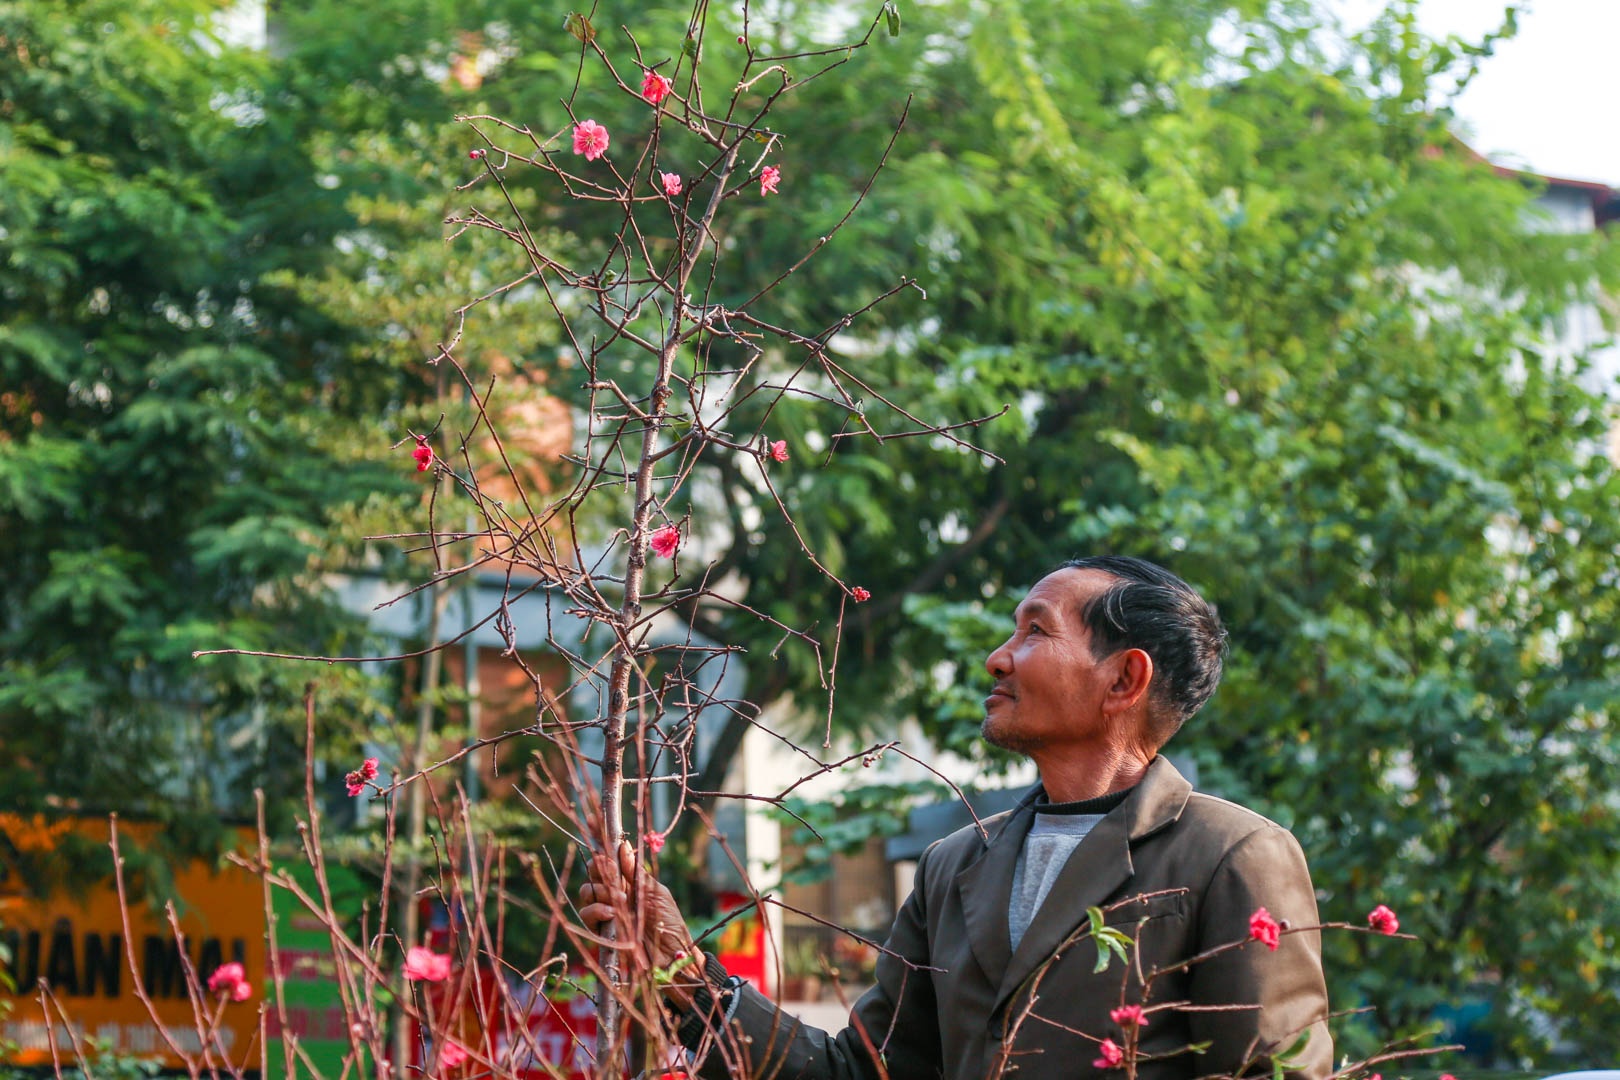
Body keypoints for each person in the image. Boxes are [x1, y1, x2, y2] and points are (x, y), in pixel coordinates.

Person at [580, 556, 1332, 1080]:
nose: (998, 659)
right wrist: (684, 975)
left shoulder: (1231, 856)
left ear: (1123, 679)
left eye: (1036, 631)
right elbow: (862, 1072)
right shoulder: (954, 865)